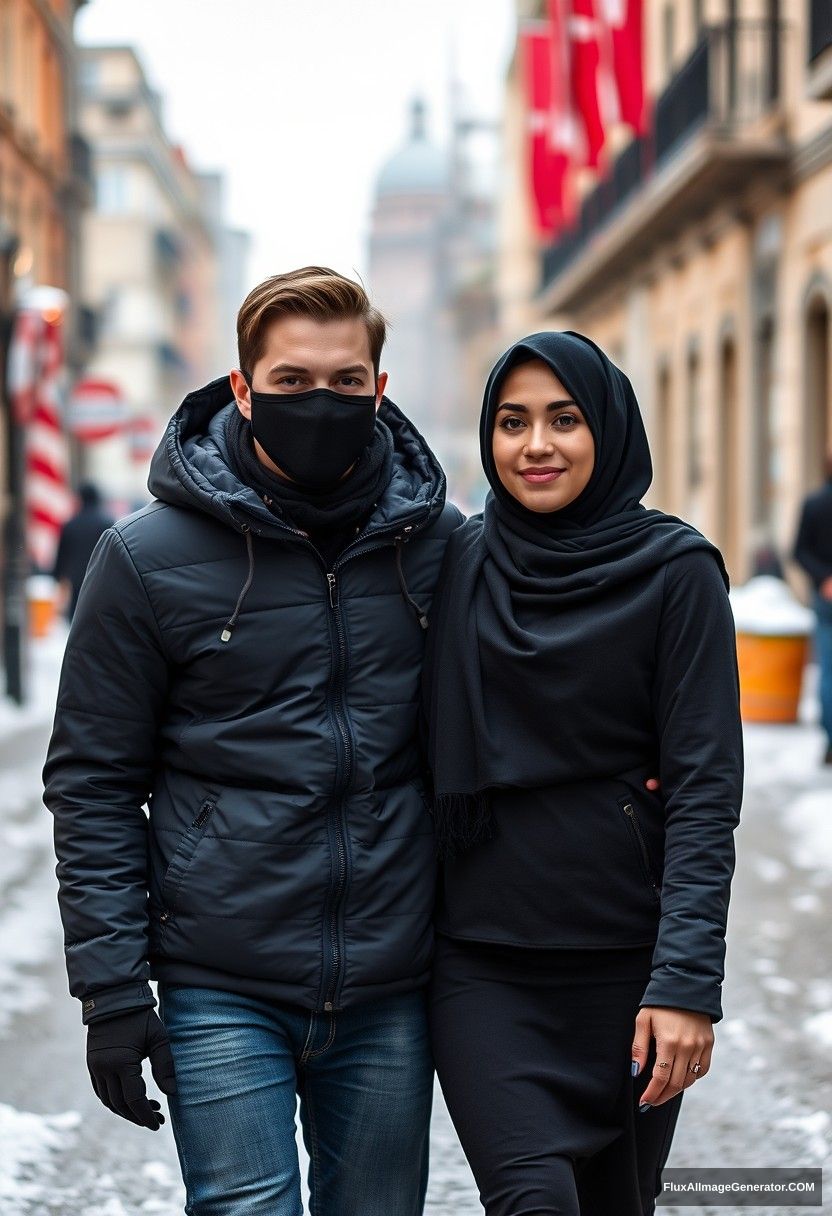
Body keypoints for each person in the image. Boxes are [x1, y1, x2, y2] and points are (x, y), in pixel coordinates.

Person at [42, 267, 464, 1216]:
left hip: (391, 981)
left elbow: (517, 716)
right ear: (241, 388)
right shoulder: (146, 558)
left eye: (346, 383)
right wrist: (112, 996)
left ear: (380, 390)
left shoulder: (440, 545)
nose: (321, 402)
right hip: (217, 980)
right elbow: (94, 783)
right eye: (290, 383)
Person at [421, 331, 744, 1216]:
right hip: (481, 968)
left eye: (564, 419)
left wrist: (685, 984)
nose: (535, 445)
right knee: (532, 1202)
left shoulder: (677, 575)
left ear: (606, 426)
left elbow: (706, 793)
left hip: (628, 976)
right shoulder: (456, 564)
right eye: (511, 421)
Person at [793, 452, 832, 765]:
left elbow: (799, 552)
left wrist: (822, 579)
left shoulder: (813, 503)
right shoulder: (816, 504)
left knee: (828, 670)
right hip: (826, 600)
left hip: (825, 595)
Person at [51, 481, 113, 619]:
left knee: (76, 618)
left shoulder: (71, 525)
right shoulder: (108, 523)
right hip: (101, 579)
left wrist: (55, 576)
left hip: (77, 580)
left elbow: (62, 554)